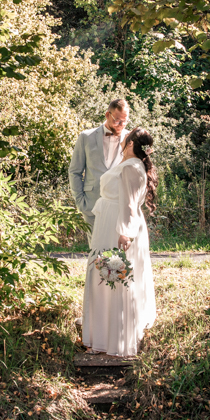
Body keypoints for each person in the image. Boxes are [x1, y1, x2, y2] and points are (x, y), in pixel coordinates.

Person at [81, 127, 157, 358]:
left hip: (117, 228)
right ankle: (101, 336)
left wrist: (124, 232)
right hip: (109, 223)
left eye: (125, 139)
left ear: (132, 144)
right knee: (103, 276)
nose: (121, 141)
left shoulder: (132, 168)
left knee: (113, 278)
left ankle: (112, 340)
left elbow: (129, 203)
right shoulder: (128, 165)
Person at [68, 98, 130, 235]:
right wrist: (80, 201)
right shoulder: (86, 137)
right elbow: (75, 171)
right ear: (107, 115)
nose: (121, 125)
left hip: (119, 204)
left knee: (117, 252)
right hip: (91, 203)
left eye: (125, 121)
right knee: (96, 251)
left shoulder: (130, 138)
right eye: (118, 120)